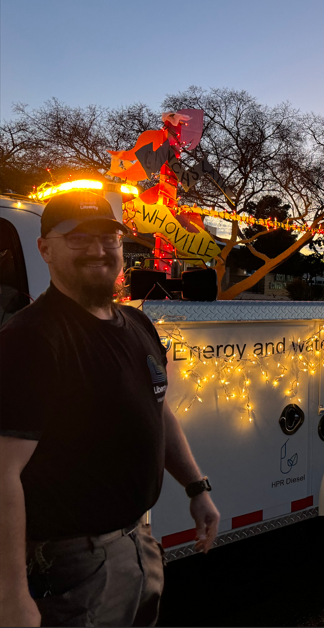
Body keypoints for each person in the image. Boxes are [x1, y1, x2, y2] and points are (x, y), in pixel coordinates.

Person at [0, 191, 220, 627]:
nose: (98, 250)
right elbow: (2, 473)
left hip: (139, 543)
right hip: (70, 568)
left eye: (108, 238)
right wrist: (12, 596)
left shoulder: (137, 324)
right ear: (45, 249)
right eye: (78, 239)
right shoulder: (30, 339)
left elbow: (157, 410)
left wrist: (197, 488)